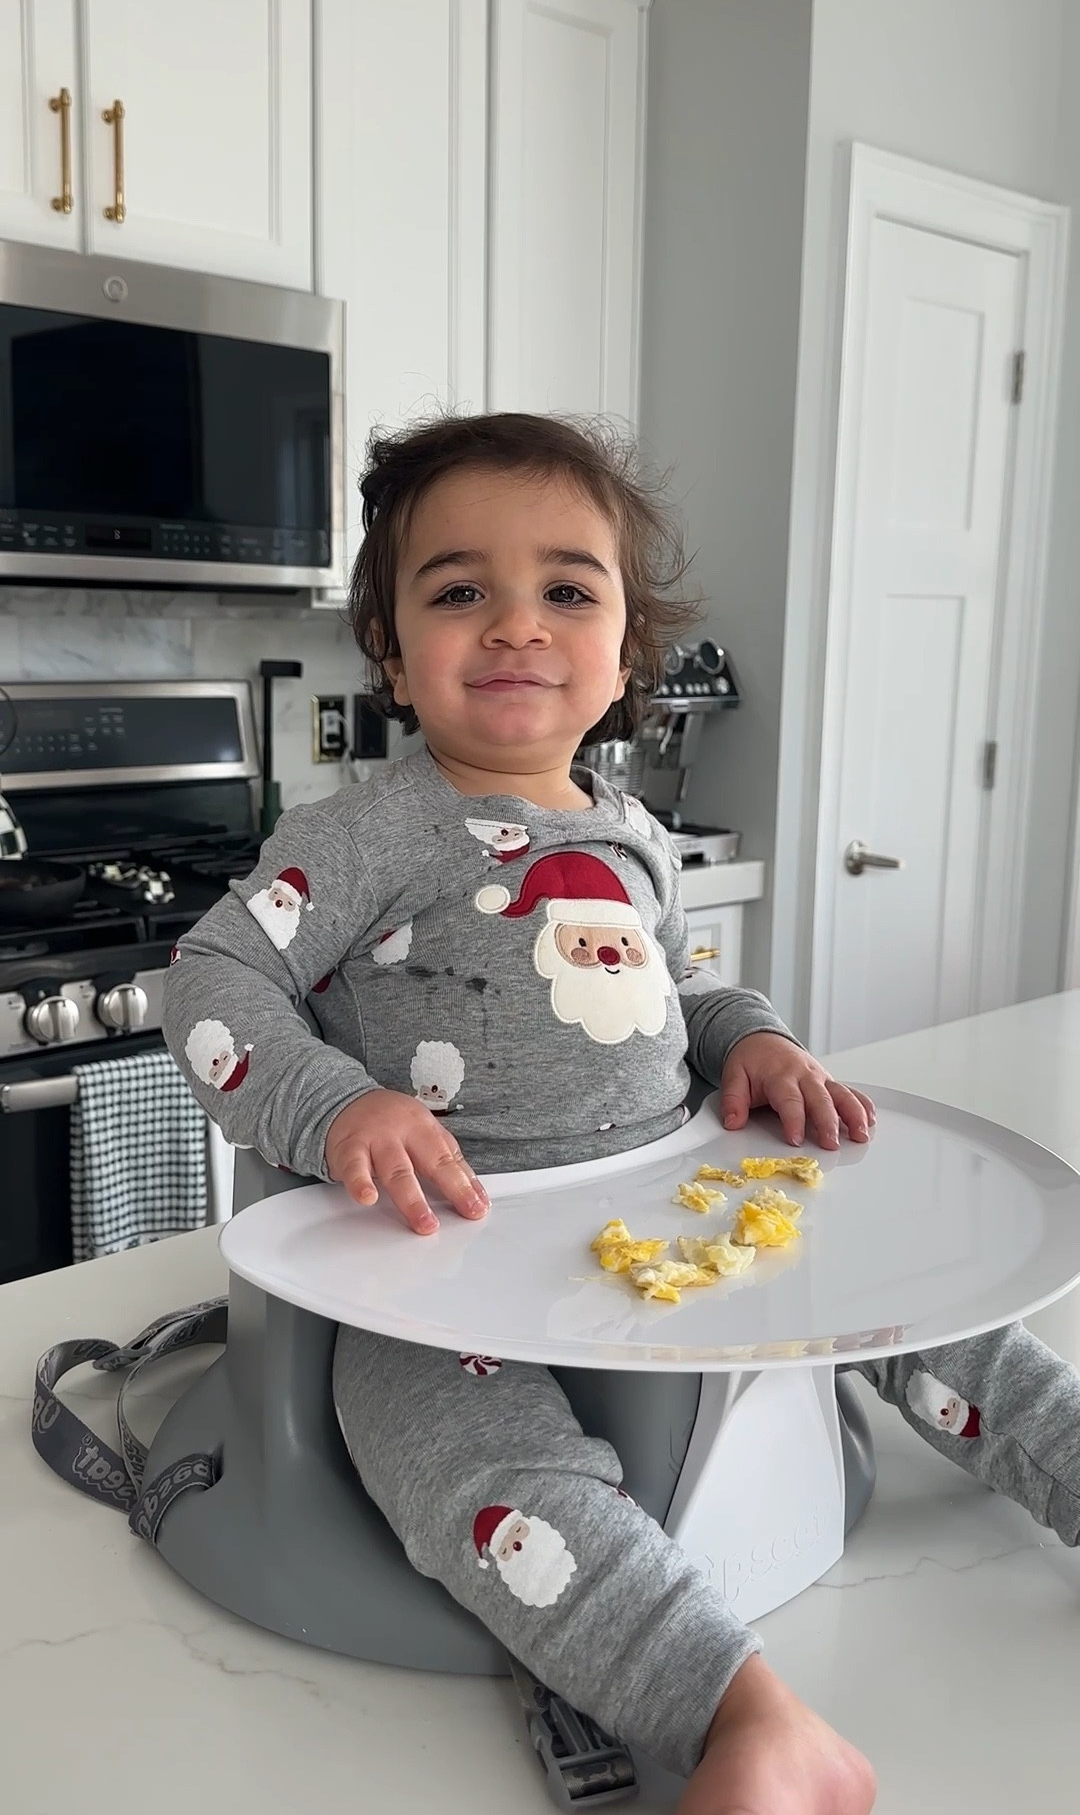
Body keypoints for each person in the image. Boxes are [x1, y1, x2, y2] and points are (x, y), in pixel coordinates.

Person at [164, 413, 1080, 1815]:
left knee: (938, 1322)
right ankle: (739, 1714)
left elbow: (675, 1000)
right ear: (396, 651)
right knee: (475, 1466)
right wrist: (333, 1103)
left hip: (668, 1218)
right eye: (460, 589)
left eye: (568, 592)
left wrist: (754, 1037)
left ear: (625, 653)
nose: (517, 624)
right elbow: (214, 978)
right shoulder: (363, 836)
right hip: (441, 1265)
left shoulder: (634, 830)